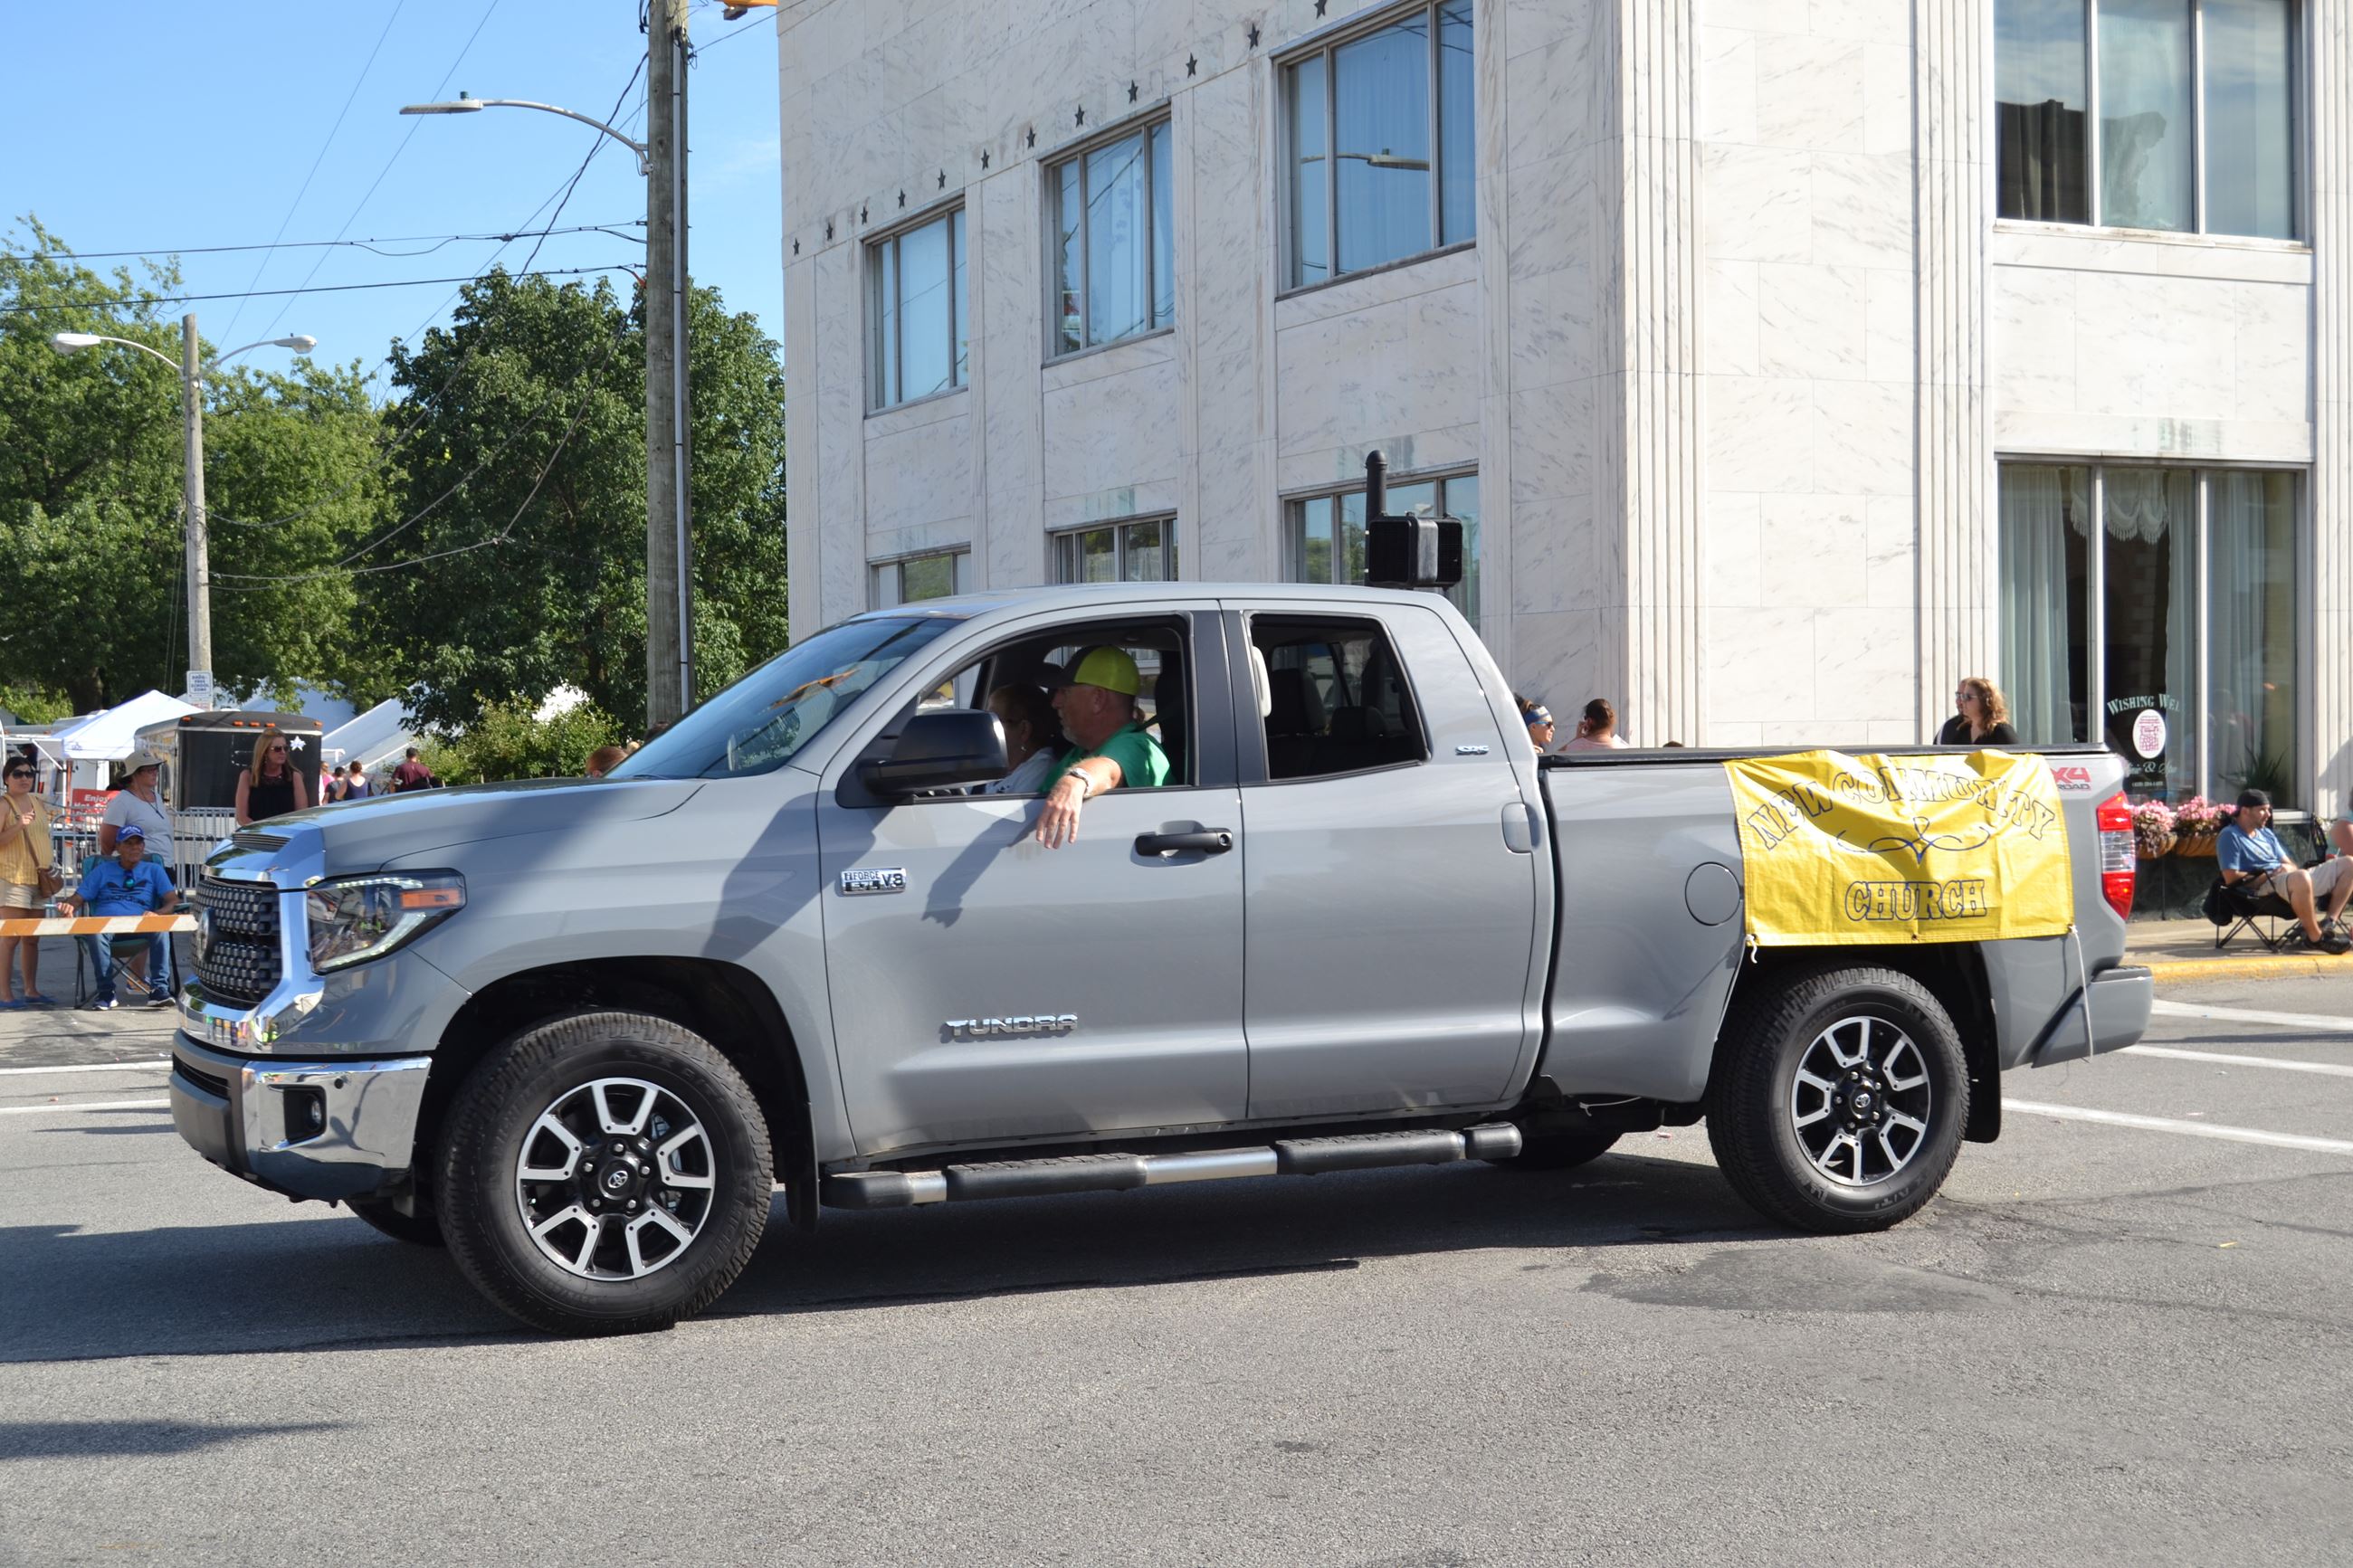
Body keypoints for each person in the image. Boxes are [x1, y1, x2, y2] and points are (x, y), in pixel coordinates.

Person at [1035, 647, 1169, 849]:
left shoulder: (1136, 745)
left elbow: (1109, 770)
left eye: (1065, 692)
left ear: (1098, 699)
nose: (1055, 702)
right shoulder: (1082, 750)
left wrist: (1076, 781)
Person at [59, 823, 178, 1009]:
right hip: (107, 925)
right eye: (129, 843)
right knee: (95, 931)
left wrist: (158, 913)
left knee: (161, 927)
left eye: (139, 843)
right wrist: (68, 906)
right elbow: (78, 898)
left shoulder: (154, 870)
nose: (135, 847)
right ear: (118, 848)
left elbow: (173, 901)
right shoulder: (102, 870)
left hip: (141, 925)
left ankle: (159, 990)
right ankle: (106, 992)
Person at [2218, 788, 2352, 955]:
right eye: (2262, 809)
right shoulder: (2230, 836)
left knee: (2350, 863)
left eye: (2269, 809)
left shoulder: (2266, 833)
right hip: (2263, 886)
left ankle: (2329, 921)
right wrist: (2266, 875)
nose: (2268, 814)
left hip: (2291, 880)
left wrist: (2288, 868)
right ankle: (2316, 938)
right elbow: (2231, 878)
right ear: (2245, 811)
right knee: (2301, 876)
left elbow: (2291, 865)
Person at [0, 755, 57, 1008]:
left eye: (29, 773)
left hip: (38, 878)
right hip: (12, 878)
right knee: (10, 938)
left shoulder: (37, 802)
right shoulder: (4, 804)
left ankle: (31, 990)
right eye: (18, 774)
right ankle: (5, 994)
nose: (25, 778)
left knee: (32, 938)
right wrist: (19, 826)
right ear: (6, 779)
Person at [982, 683, 1065, 796]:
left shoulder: (1040, 772)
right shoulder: (998, 766)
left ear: (1024, 730)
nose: (985, 727)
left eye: (993, 720)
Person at [99, 750, 172, 858]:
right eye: (149, 770)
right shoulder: (122, 802)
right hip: (139, 867)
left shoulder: (157, 798)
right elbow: (106, 842)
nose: (155, 773)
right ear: (135, 774)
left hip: (164, 865)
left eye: (156, 768)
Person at [235, 727, 310, 826]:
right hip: (257, 835)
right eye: (277, 749)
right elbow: (242, 817)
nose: (283, 752)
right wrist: (261, 832)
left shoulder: (294, 777)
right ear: (265, 752)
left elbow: (301, 815)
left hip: (287, 834)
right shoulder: (248, 776)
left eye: (285, 748)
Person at [1937, 677, 2020, 746]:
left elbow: (2017, 762)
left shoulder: (2001, 731)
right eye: (1961, 696)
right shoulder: (1963, 730)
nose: (1962, 701)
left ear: (1985, 700)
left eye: (1967, 697)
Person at [1561, 698, 1629, 751]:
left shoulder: (1574, 747)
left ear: (1589, 721)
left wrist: (1576, 739)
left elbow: (1554, 759)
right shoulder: (1623, 749)